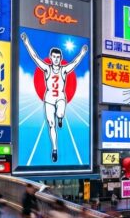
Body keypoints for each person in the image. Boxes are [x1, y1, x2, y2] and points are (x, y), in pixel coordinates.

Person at [19, 31, 88, 162]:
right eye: (54, 57)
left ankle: (60, 117)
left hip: (61, 97)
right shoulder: (47, 68)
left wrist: (82, 53)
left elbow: (75, 63)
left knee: (60, 114)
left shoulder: (64, 69)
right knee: (51, 124)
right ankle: (54, 149)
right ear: (51, 57)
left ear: (60, 58)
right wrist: (26, 42)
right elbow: (35, 57)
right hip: (49, 99)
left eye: (58, 57)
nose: (56, 59)